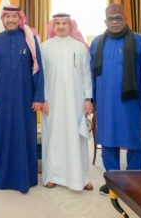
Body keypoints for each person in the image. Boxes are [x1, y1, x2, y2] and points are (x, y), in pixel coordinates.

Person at [90, 3, 141, 196]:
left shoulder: (140, 42)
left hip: (132, 102)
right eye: (111, 19)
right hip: (105, 101)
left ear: (126, 20)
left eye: (118, 18)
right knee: (107, 139)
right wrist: (92, 99)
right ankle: (113, 180)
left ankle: (134, 180)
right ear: (105, 21)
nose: (114, 22)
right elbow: (91, 74)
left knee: (134, 139)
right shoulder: (97, 43)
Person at [0, 5, 44, 194]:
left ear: (20, 19)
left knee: (24, 136)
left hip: (26, 98)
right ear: (3, 19)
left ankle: (25, 178)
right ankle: (2, 177)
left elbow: (38, 70)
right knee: (3, 135)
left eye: (14, 17)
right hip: (2, 98)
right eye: (7, 17)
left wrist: (39, 97)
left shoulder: (30, 39)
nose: (11, 20)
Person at [40, 13, 94, 191]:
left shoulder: (80, 47)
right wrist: (43, 98)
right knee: (53, 136)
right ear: (53, 26)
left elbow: (86, 74)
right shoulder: (45, 47)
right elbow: (41, 77)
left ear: (70, 26)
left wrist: (88, 99)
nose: (61, 26)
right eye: (57, 23)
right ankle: (52, 175)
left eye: (64, 23)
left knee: (77, 137)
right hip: (52, 101)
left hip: (76, 101)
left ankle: (81, 177)